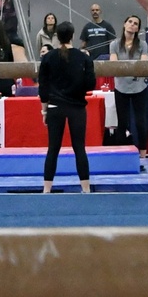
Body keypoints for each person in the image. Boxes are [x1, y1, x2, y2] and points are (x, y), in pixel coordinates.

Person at [38, 22, 96, 194]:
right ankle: (85, 189)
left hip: (55, 106)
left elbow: (43, 86)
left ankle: (46, 189)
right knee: (79, 148)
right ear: (72, 35)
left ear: (57, 36)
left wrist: (44, 110)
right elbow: (91, 84)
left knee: (53, 149)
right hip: (77, 107)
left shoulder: (48, 57)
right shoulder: (83, 57)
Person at [109, 13, 148, 158]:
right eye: (130, 22)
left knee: (140, 121)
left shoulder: (142, 45)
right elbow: (114, 65)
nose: (133, 24)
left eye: (136, 23)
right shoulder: (114, 44)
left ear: (138, 28)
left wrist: (132, 70)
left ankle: (143, 154)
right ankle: (122, 153)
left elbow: (143, 64)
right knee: (122, 121)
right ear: (124, 24)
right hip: (121, 86)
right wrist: (129, 68)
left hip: (139, 86)